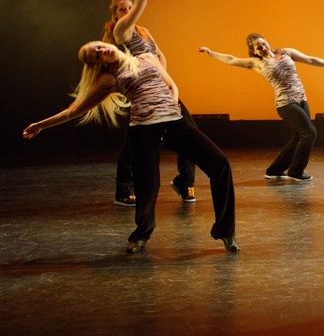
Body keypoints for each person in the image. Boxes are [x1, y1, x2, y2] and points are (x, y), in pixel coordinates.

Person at [22, 42, 237, 253]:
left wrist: (172, 102)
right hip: (144, 130)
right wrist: (40, 125)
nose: (101, 51)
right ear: (101, 64)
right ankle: (141, 234)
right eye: (96, 55)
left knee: (220, 164)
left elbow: (172, 85)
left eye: (98, 47)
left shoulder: (147, 57)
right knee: (147, 185)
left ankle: (225, 231)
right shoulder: (109, 78)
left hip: (175, 123)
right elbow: (75, 110)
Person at [198, 35, 324, 181]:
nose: (263, 48)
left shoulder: (286, 52)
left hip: (302, 100)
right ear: (254, 51)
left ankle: (274, 170)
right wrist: (211, 53)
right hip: (286, 104)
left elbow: (310, 59)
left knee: (297, 138)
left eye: (264, 44)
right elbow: (231, 60)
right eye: (259, 47)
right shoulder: (257, 62)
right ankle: (296, 171)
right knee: (309, 133)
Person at [103, 0, 198, 205]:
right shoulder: (120, 30)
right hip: (141, 89)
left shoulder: (143, 30)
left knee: (189, 130)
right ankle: (124, 190)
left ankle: (184, 181)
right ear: (115, 14)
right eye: (122, 9)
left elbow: (159, 54)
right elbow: (142, 0)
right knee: (134, 141)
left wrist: (164, 80)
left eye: (129, 8)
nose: (127, 12)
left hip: (158, 87)